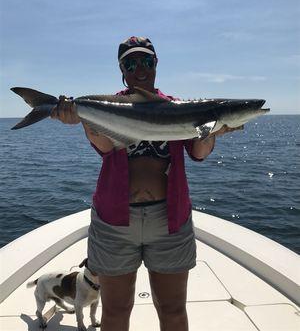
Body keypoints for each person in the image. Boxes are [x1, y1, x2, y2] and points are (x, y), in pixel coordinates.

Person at [51, 36, 241, 331]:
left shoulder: (179, 108)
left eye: (146, 61)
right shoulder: (107, 106)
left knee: (173, 309)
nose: (140, 68)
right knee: (115, 310)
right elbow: (105, 147)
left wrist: (213, 130)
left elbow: (200, 153)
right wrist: (84, 120)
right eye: (131, 62)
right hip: (115, 222)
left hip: (169, 220)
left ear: (156, 64)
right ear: (122, 69)